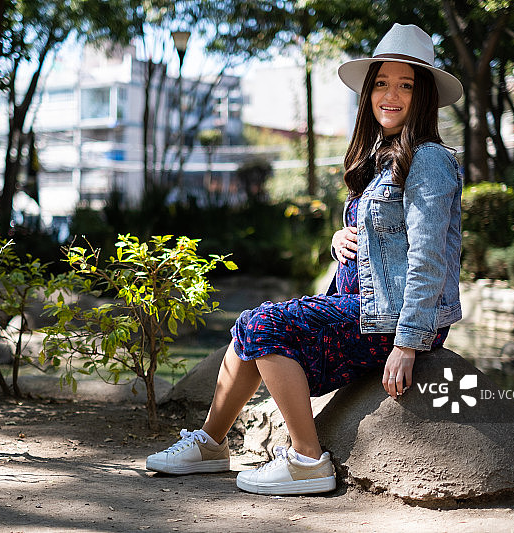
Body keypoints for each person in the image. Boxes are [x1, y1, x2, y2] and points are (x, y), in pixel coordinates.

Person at [145, 23, 464, 496]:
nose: (390, 95)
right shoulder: (381, 157)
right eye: (381, 83)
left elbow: (428, 257)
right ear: (368, 93)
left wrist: (408, 343)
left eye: (406, 84)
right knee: (246, 333)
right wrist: (341, 238)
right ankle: (211, 444)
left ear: (425, 96)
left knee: (263, 324)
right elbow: (383, 238)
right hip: (364, 308)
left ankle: (308, 460)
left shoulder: (429, 159)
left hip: (395, 320)